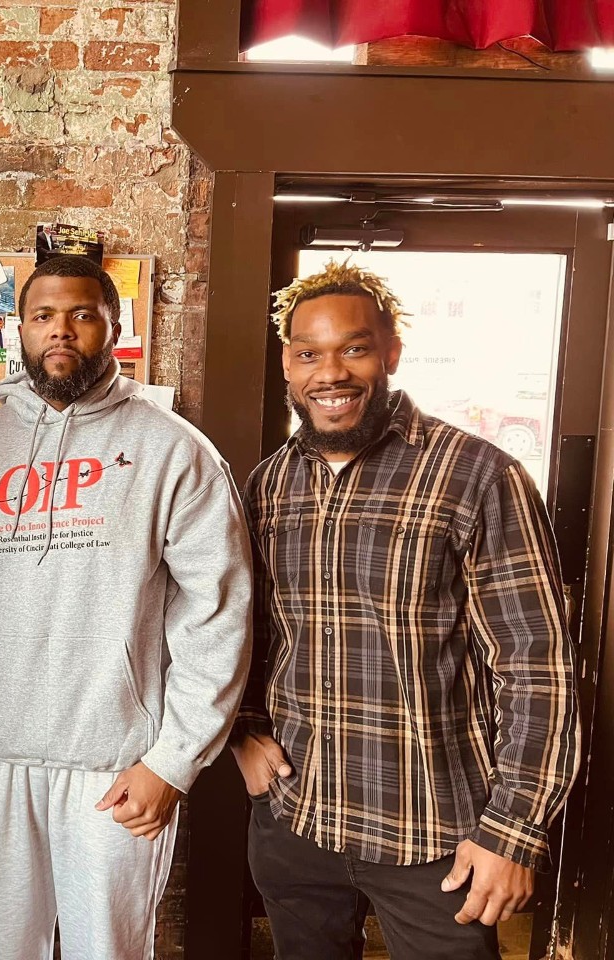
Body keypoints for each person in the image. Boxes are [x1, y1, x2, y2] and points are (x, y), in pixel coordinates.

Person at [231, 260, 579, 960]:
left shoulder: (480, 475)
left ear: (389, 352)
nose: (330, 372)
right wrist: (240, 727)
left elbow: (537, 665)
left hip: (436, 836)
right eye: (309, 354)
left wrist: (514, 831)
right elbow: (246, 633)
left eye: (354, 348)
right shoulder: (269, 483)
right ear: (288, 366)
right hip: (298, 821)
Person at [0, 254, 253, 959]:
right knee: (5, 950)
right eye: (45, 316)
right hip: (0, 754)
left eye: (82, 314)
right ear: (18, 329)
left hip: (117, 762)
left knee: (104, 952)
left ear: (114, 326)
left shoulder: (173, 450)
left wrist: (174, 760)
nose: (62, 331)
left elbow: (219, 611)